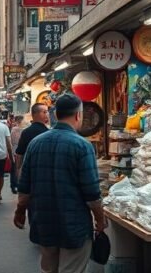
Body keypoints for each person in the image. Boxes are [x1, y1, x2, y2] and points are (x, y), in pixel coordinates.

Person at [15, 94, 104, 273]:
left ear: (56, 114)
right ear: (78, 115)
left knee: (48, 268)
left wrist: (20, 211)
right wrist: (100, 220)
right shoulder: (82, 146)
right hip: (74, 223)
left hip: (43, 221)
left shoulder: (35, 144)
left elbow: (24, 186)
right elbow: (92, 192)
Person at [15, 104, 50, 187]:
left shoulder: (26, 132)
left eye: (47, 112)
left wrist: (18, 170)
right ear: (35, 114)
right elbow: (20, 153)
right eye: (44, 112)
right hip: (46, 171)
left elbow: (19, 154)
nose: (47, 114)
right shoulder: (48, 132)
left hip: (29, 171)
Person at [9, 116, 24, 193]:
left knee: (14, 169)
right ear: (20, 121)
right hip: (19, 151)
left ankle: (13, 185)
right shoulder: (20, 129)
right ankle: (17, 184)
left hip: (14, 151)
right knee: (18, 169)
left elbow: (11, 141)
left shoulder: (14, 129)